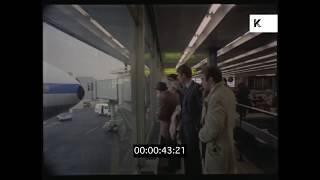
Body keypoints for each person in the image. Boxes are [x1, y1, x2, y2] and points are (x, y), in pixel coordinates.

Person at [199, 65, 237, 174]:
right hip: (227, 142)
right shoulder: (227, 92)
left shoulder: (216, 97)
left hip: (217, 148)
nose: (202, 82)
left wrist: (201, 135)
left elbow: (214, 128)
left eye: (202, 79)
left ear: (210, 79)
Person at [176, 64, 202, 175]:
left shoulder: (196, 88)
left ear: (184, 75)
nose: (178, 78)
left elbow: (201, 110)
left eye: (179, 75)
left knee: (193, 155)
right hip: (185, 128)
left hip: (192, 129)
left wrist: (196, 127)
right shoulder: (185, 89)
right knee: (187, 154)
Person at [156, 82, 179, 173]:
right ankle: (175, 166)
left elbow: (163, 115)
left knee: (170, 147)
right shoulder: (173, 95)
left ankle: (171, 168)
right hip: (174, 125)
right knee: (174, 145)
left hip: (167, 127)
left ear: (159, 90)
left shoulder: (163, 98)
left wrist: (157, 115)